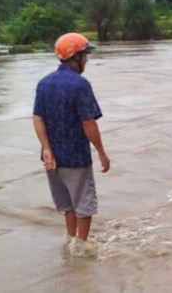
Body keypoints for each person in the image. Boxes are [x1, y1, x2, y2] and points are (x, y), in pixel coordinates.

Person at [33, 32, 111, 257]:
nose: (87, 60)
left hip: (52, 159)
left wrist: (46, 148)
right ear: (76, 57)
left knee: (67, 205)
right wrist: (102, 153)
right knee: (84, 206)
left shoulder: (44, 84)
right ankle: (82, 248)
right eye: (85, 55)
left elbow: (38, 118)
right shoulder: (80, 85)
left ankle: (70, 241)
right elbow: (88, 122)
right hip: (76, 157)